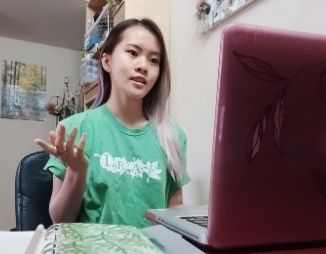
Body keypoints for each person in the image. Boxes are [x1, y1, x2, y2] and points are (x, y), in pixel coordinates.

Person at [35, 18, 190, 228]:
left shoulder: (172, 135)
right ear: (107, 61)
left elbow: (174, 208)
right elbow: (60, 219)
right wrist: (77, 172)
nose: (143, 66)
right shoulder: (75, 129)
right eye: (133, 53)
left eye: (154, 60)